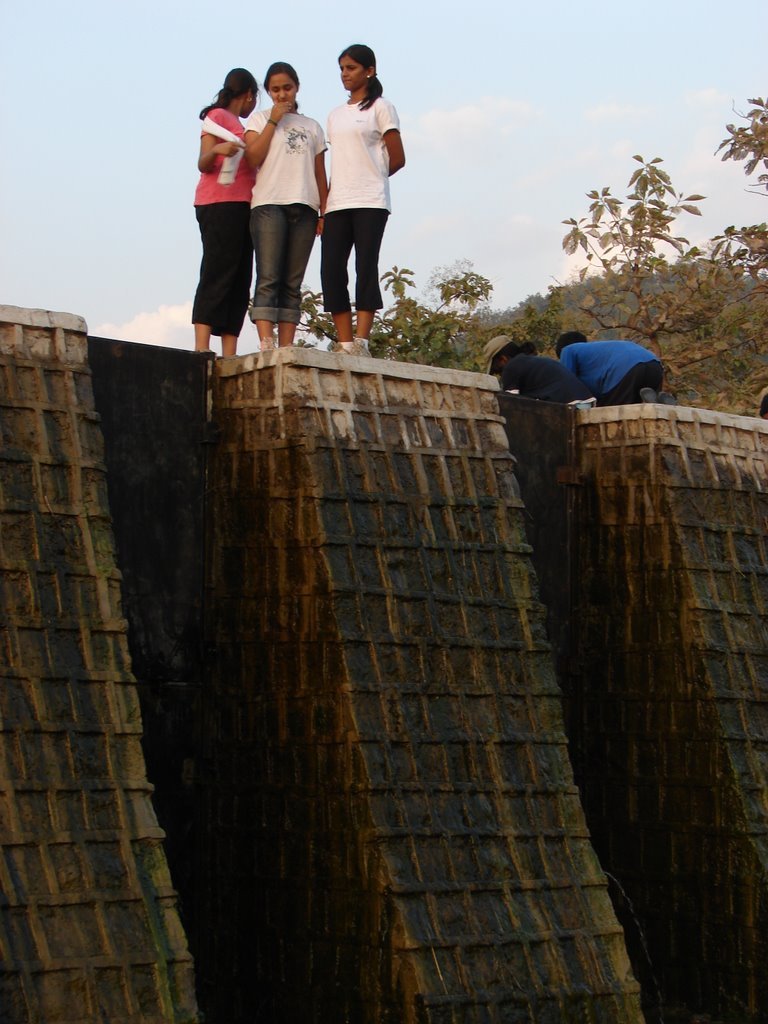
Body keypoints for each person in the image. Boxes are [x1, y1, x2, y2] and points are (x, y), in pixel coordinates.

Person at [320, 43, 405, 355]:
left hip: (370, 200)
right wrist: (324, 207)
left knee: (365, 266)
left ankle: (361, 341)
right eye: (342, 68)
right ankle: (344, 342)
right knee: (331, 269)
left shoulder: (381, 107)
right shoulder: (334, 115)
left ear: (369, 71)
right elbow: (338, 161)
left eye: (351, 68)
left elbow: (397, 157)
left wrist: (373, 176)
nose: (345, 74)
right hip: (337, 202)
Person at [244, 62, 328, 351]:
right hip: (269, 203)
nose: (282, 94)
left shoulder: (312, 126)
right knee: (269, 275)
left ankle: (287, 345)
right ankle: (266, 341)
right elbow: (252, 158)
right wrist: (273, 121)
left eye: (287, 88)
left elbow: (320, 172)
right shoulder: (258, 119)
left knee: (293, 280)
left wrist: (324, 212)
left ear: (297, 88)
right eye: (275, 89)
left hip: (305, 205)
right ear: (269, 92)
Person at [192, 69, 258, 357]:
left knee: (241, 276)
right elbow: (203, 162)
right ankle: (202, 345)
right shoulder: (217, 116)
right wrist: (220, 148)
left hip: (245, 204)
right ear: (249, 95)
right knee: (217, 270)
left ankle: (229, 351)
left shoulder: (244, 125)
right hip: (218, 202)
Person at [555, 331, 674, 406]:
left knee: (611, 412)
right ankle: (659, 403)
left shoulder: (568, 350)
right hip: (654, 363)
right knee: (639, 408)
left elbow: (566, 386)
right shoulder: (597, 353)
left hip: (625, 367)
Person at [483, 337, 596, 406]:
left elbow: (509, 404)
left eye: (495, 369)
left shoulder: (511, 367)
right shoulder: (531, 362)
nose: (498, 374)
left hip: (571, 405)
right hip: (587, 401)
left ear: (503, 359)